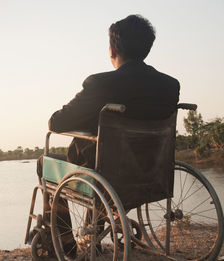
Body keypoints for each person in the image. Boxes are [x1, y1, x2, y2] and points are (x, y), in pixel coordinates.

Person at [36, 14, 180, 257]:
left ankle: (66, 242)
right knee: (102, 161)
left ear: (113, 48)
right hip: (152, 175)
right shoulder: (169, 85)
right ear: (147, 47)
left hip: (106, 177)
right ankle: (93, 235)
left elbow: (57, 123)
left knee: (46, 162)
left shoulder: (100, 84)